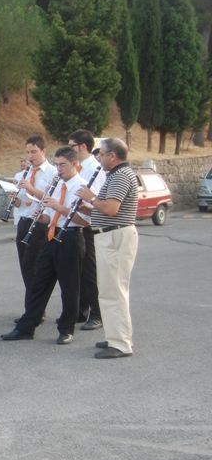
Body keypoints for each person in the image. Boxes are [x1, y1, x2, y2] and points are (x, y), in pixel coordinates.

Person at [1, 146, 89, 344]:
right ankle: (26, 327)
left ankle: (66, 329)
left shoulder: (82, 187)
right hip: (52, 235)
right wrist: (41, 217)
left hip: (72, 237)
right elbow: (51, 216)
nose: (58, 169)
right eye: (56, 165)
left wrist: (59, 208)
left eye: (63, 165)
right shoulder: (57, 184)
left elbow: (85, 221)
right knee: (39, 282)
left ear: (75, 164)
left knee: (69, 286)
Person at [76, 138, 138, 359]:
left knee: (115, 291)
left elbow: (112, 209)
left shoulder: (121, 176)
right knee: (109, 290)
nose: (98, 158)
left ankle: (121, 344)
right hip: (111, 235)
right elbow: (106, 208)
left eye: (101, 154)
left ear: (113, 155)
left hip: (115, 235)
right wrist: (90, 205)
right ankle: (115, 336)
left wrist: (91, 198)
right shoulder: (115, 175)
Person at [68, 129, 107, 330]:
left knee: (91, 272)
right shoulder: (80, 167)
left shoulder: (95, 169)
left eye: (72, 146)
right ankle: (81, 310)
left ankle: (97, 313)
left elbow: (98, 199)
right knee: (80, 271)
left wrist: (86, 205)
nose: (70, 149)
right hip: (77, 223)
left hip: (91, 225)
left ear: (83, 146)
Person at [12, 136, 58, 293]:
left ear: (43, 151)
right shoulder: (22, 174)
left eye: (34, 152)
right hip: (23, 221)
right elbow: (20, 203)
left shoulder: (53, 173)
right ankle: (32, 303)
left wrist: (31, 189)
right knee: (24, 266)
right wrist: (13, 198)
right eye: (27, 152)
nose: (30, 156)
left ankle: (35, 306)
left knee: (34, 265)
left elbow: (52, 199)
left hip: (41, 223)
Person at [12, 159, 29, 226]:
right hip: (18, 202)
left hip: (27, 202)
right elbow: (14, 187)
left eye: (24, 165)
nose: (22, 167)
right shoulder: (18, 175)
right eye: (21, 165)